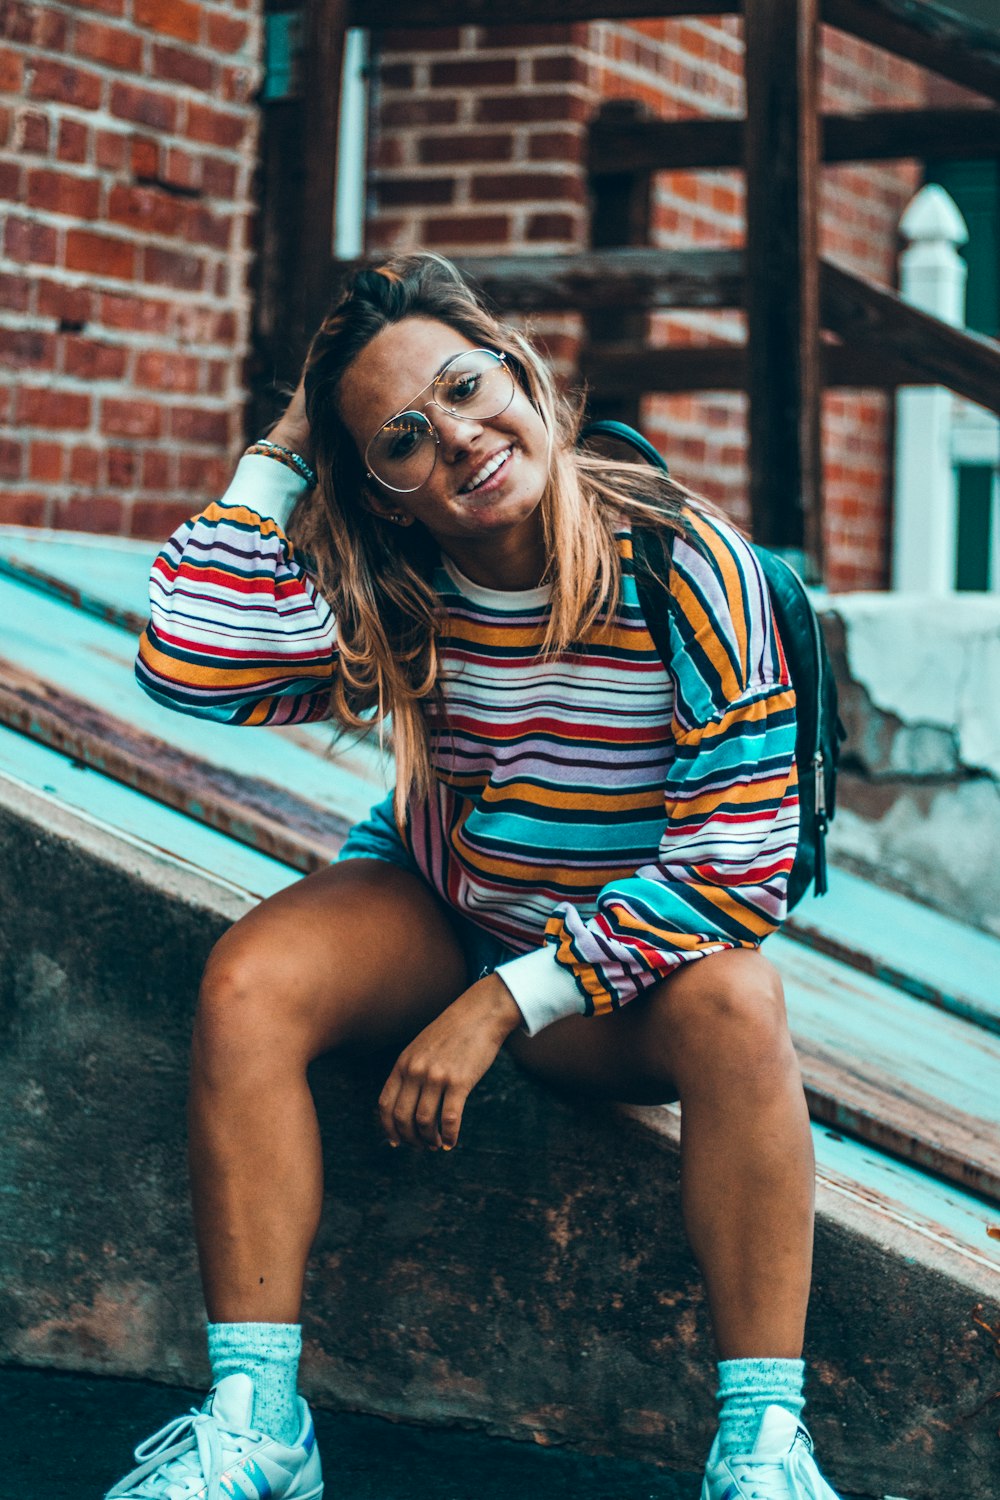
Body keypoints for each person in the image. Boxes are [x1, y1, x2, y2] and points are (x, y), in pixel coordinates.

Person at [109, 253, 843, 1500]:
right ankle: (258, 1427)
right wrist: (284, 452)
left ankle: (760, 1454)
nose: (455, 437)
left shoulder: (686, 568)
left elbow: (735, 871)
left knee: (742, 1003)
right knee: (250, 981)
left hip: (610, 981)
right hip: (448, 907)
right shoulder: (397, 589)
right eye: (399, 437)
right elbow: (185, 659)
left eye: (462, 387)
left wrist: (506, 1005)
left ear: (519, 372)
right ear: (383, 493)